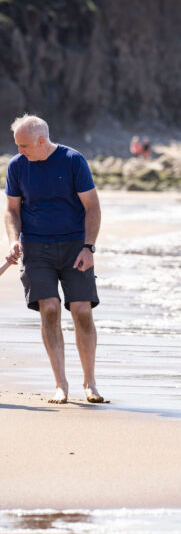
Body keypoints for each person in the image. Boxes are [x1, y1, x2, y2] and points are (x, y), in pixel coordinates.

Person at [4, 114, 103, 404]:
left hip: (75, 246)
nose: (19, 150)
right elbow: (11, 210)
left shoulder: (73, 160)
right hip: (36, 247)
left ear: (41, 140)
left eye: (23, 145)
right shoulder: (17, 166)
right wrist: (13, 239)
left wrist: (89, 247)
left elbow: (92, 207)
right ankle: (61, 384)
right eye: (17, 145)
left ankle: (90, 382)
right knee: (49, 308)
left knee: (82, 310)